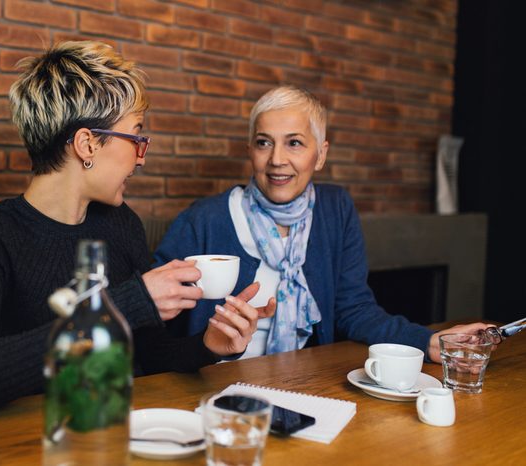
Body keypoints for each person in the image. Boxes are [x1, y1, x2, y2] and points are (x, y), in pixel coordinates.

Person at [0, 41, 273, 419]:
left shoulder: (120, 224)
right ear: (87, 144)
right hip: (41, 441)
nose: (142, 157)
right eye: (135, 138)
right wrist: (126, 305)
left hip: (121, 428)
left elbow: (152, 355)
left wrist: (211, 345)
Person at [154, 85, 495, 363]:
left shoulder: (335, 209)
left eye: (295, 143)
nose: (276, 160)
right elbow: (153, 319)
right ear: (250, 150)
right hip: (216, 387)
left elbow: (355, 310)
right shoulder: (204, 219)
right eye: (263, 143)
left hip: (305, 382)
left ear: (321, 155)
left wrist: (428, 341)